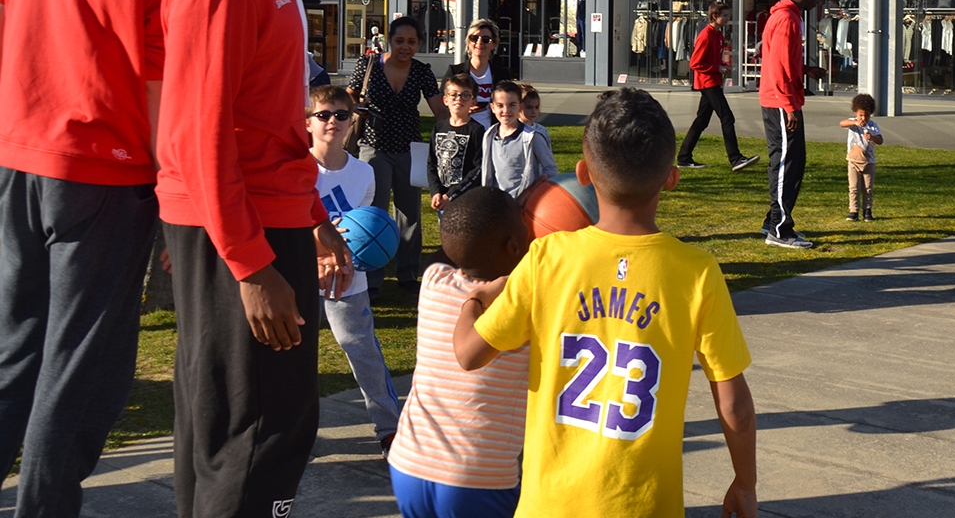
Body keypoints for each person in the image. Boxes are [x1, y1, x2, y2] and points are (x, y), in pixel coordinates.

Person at [0, 0, 210, 515]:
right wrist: (166, 180)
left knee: (17, 344)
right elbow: (159, 81)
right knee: (83, 363)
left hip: (19, 160)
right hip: (104, 168)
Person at [156, 0, 353, 517]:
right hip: (234, 228)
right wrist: (249, 265)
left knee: (246, 423)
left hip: (268, 214)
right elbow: (198, 129)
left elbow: (266, 123)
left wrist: (315, 221)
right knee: (256, 428)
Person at [453, 88, 758, 517]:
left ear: (582, 173)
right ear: (672, 177)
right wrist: (745, 483)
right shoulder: (696, 272)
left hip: (549, 505)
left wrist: (473, 298)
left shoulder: (547, 258)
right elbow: (735, 404)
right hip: (644, 506)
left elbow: (469, 355)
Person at [388, 186, 530, 517]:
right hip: (476, 475)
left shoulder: (434, 282)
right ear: (513, 245)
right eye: (524, 221)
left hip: (409, 463)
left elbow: (450, 248)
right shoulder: (524, 309)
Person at [306, 84, 401, 454]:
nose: (333, 121)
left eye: (341, 115)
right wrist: (318, 256)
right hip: (305, 274)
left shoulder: (364, 173)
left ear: (352, 121)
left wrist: (353, 261)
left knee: (362, 350)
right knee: (296, 359)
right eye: (323, 115)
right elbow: (291, 225)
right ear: (308, 122)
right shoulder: (298, 168)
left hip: (348, 277)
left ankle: (389, 428)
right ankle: (292, 430)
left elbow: (367, 230)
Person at [351, 14, 443, 295]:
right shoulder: (368, 65)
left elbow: (440, 111)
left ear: (419, 44)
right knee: (373, 214)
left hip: (409, 149)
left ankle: (407, 274)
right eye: (400, 40)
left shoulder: (421, 71)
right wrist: (357, 107)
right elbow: (349, 96)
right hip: (373, 147)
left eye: (412, 42)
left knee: (409, 215)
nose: (405, 46)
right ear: (388, 40)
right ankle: (372, 278)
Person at [760, 0, 825, 249]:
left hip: (779, 99)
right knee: (788, 164)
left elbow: (782, 60)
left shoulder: (784, 15)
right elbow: (779, 67)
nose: (818, 3)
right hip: (780, 101)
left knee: (787, 162)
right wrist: (789, 106)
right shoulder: (787, 19)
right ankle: (779, 229)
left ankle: (773, 220)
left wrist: (807, 70)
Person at [678, 2, 758, 173]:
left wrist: (722, 66)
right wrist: (717, 68)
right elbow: (695, 63)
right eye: (725, 16)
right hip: (708, 83)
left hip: (713, 82)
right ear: (715, 16)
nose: (728, 19)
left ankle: (684, 157)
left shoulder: (718, 36)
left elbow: (712, 59)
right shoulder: (705, 36)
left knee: (701, 121)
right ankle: (735, 158)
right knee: (727, 118)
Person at [481, 80, 557, 198]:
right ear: (492, 107)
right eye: (500, 105)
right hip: (498, 204)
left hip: (525, 205)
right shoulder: (489, 136)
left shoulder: (532, 137)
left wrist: (531, 192)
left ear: (520, 107)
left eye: (512, 105)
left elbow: (551, 169)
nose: (506, 111)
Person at [429, 72, 486, 211]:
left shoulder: (477, 130)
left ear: (473, 102)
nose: (458, 99)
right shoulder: (438, 128)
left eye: (465, 95)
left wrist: (451, 195)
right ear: (445, 100)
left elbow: (478, 169)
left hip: (466, 199)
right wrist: (436, 192)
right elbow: (431, 163)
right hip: (441, 199)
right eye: (453, 94)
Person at [446, 18, 500, 128]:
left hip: (492, 135)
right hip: (463, 131)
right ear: (468, 42)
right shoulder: (455, 71)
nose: (479, 42)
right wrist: (462, 108)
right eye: (474, 38)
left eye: (486, 39)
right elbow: (444, 103)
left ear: (494, 44)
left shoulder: (501, 74)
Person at [839, 93, 883, 222]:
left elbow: (880, 140)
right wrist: (855, 122)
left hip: (869, 162)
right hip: (853, 162)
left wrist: (872, 137)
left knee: (868, 188)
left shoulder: (873, 126)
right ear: (855, 113)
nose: (863, 118)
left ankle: (867, 211)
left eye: (867, 115)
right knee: (854, 188)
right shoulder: (852, 123)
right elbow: (842, 123)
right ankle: (853, 211)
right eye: (861, 115)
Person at [518, 81, 552, 148]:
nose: (533, 111)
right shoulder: (513, 130)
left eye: (536, 107)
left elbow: (548, 153)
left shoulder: (542, 130)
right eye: (529, 107)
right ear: (519, 107)